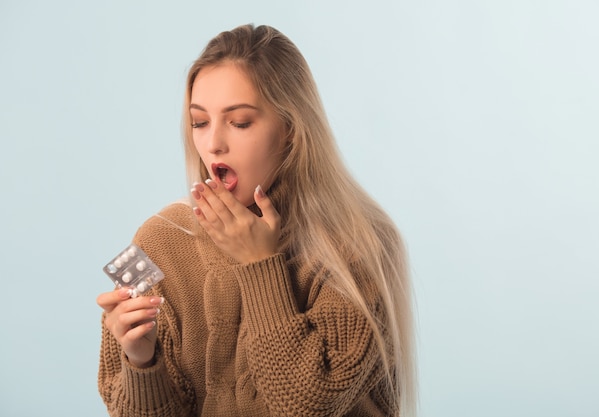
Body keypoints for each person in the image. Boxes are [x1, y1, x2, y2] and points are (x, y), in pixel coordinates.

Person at [96, 24, 416, 417]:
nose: (213, 143)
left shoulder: (359, 243)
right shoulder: (161, 242)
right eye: (199, 122)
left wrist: (259, 265)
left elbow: (307, 405)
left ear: (291, 131)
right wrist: (142, 362)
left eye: (240, 122)